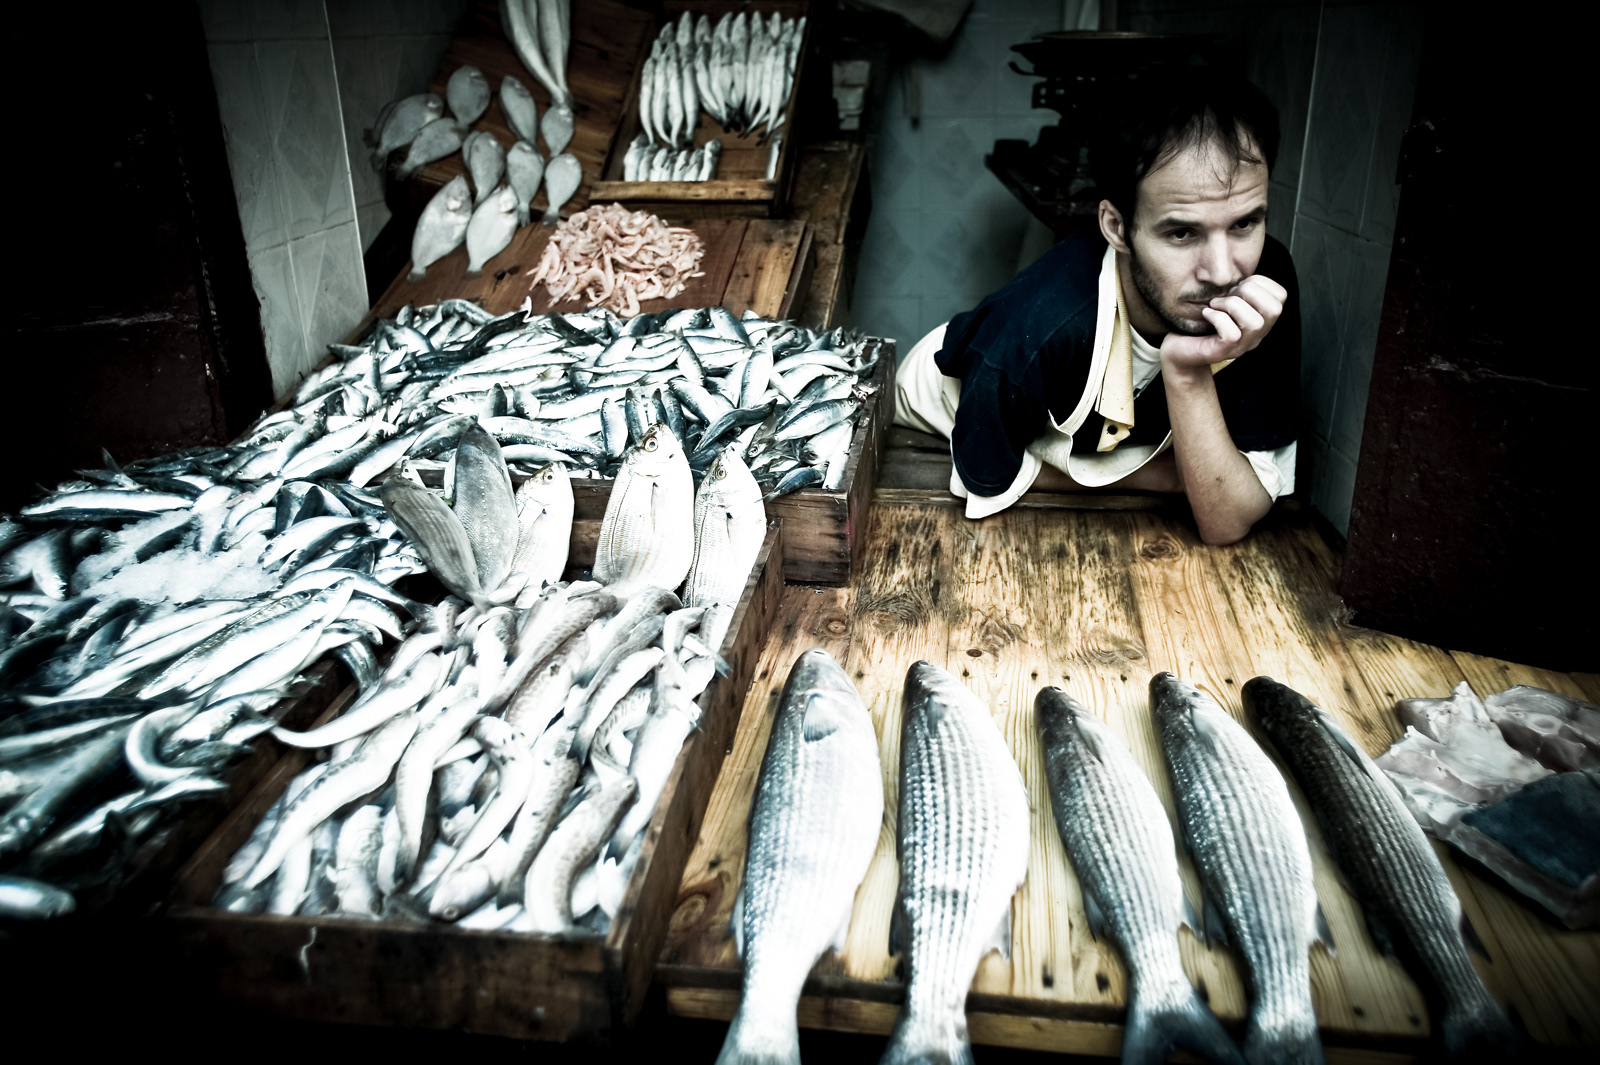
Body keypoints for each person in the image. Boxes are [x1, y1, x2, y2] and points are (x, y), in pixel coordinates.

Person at [893, 70, 1299, 544]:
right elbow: (988, 478)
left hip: (1088, 436)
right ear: (1116, 226)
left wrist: (1186, 374)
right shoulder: (1039, 328)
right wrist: (1166, 476)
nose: (1223, 271)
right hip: (942, 405)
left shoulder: (1262, 281)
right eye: (1181, 233)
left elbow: (1227, 519)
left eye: (1244, 224)